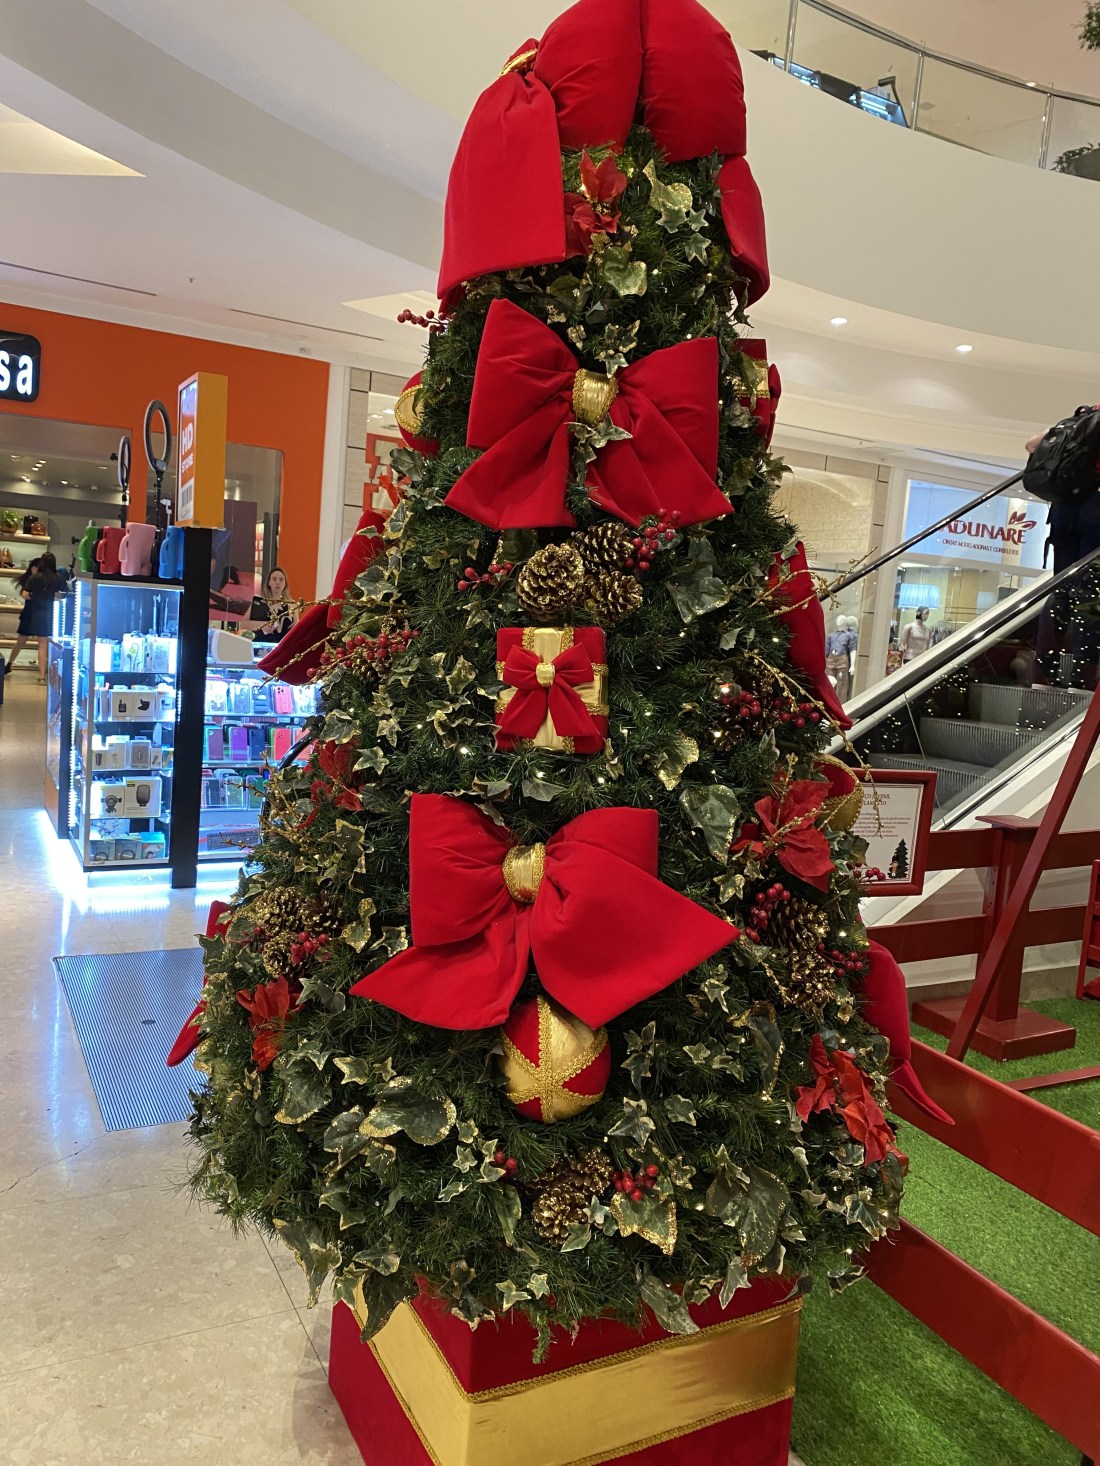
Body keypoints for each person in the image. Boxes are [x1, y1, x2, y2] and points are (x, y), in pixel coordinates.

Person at [7, 552, 67, 682]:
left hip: (37, 611)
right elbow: (65, 594)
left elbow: (25, 594)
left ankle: (41, 675)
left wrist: (35, 597)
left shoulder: (34, 578)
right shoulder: (59, 578)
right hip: (54, 612)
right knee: (51, 644)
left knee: (39, 643)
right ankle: (52, 673)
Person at [249, 566, 296, 643]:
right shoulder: (260, 602)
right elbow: (243, 624)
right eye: (274, 579)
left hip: (283, 646)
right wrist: (262, 624)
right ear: (269, 582)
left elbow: (296, 630)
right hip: (261, 645)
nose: (278, 582)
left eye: (281, 579)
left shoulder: (292, 604)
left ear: (285, 583)